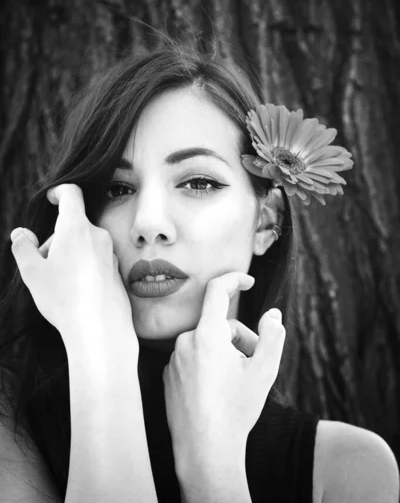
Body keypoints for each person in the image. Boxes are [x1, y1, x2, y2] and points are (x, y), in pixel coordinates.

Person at [0, 36, 398, 503]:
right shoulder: (12, 427)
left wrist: (211, 471)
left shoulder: (350, 470)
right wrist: (100, 357)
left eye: (198, 182)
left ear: (267, 220)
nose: (148, 224)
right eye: (116, 189)